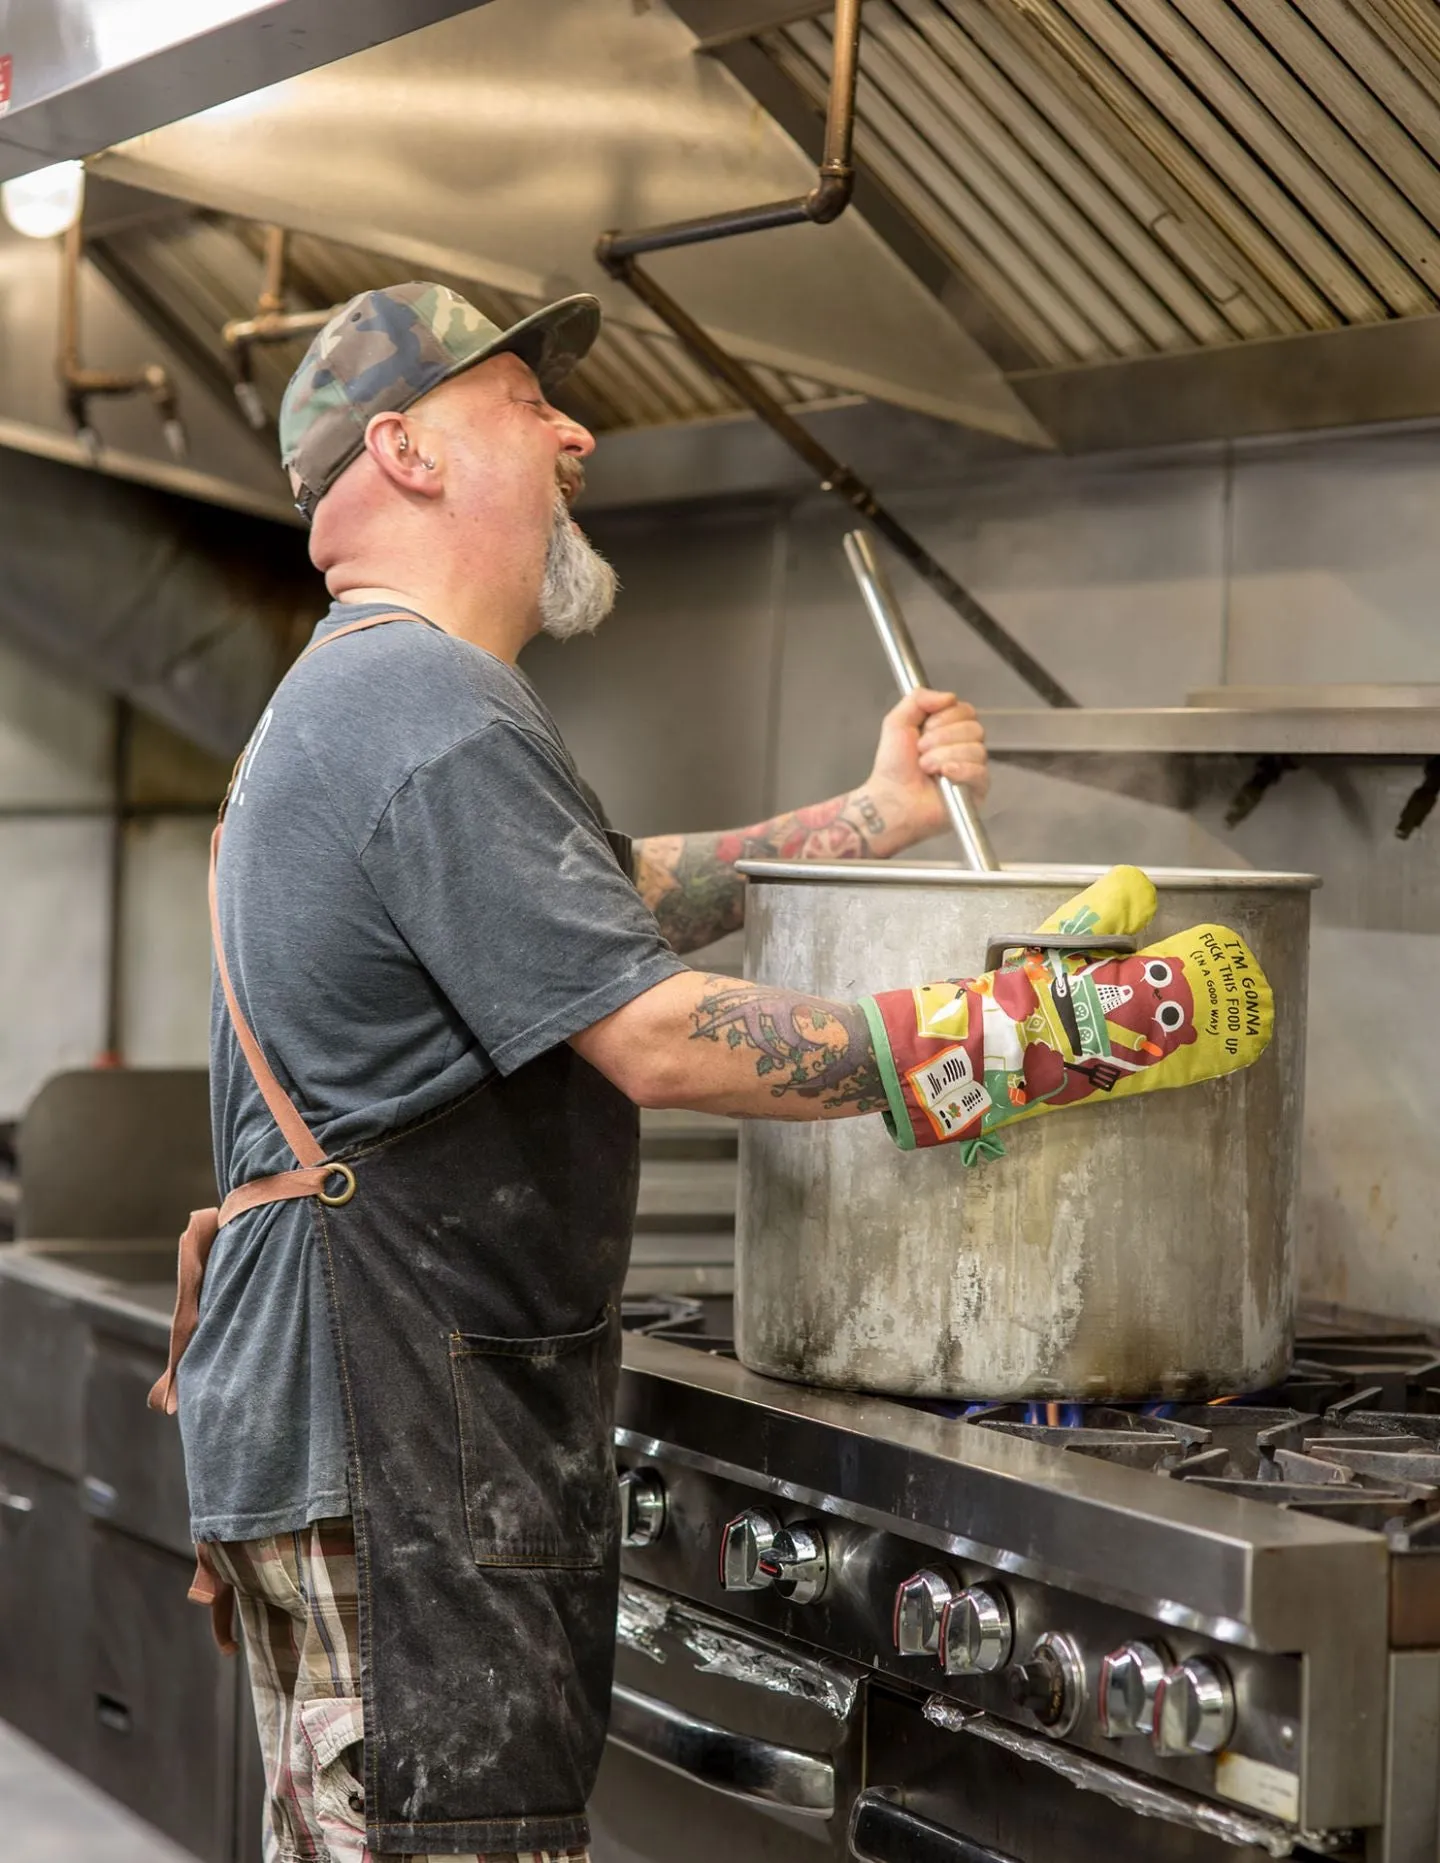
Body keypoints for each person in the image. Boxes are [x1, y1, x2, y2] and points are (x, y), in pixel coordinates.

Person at [161, 281, 1067, 1863]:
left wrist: (867, 821)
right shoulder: (424, 701)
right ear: (410, 451)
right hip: (396, 1433)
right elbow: (650, 1027)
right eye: (527, 402)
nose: (579, 431)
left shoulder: (371, 693)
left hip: (362, 1423)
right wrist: (1027, 1040)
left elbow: (609, 887)